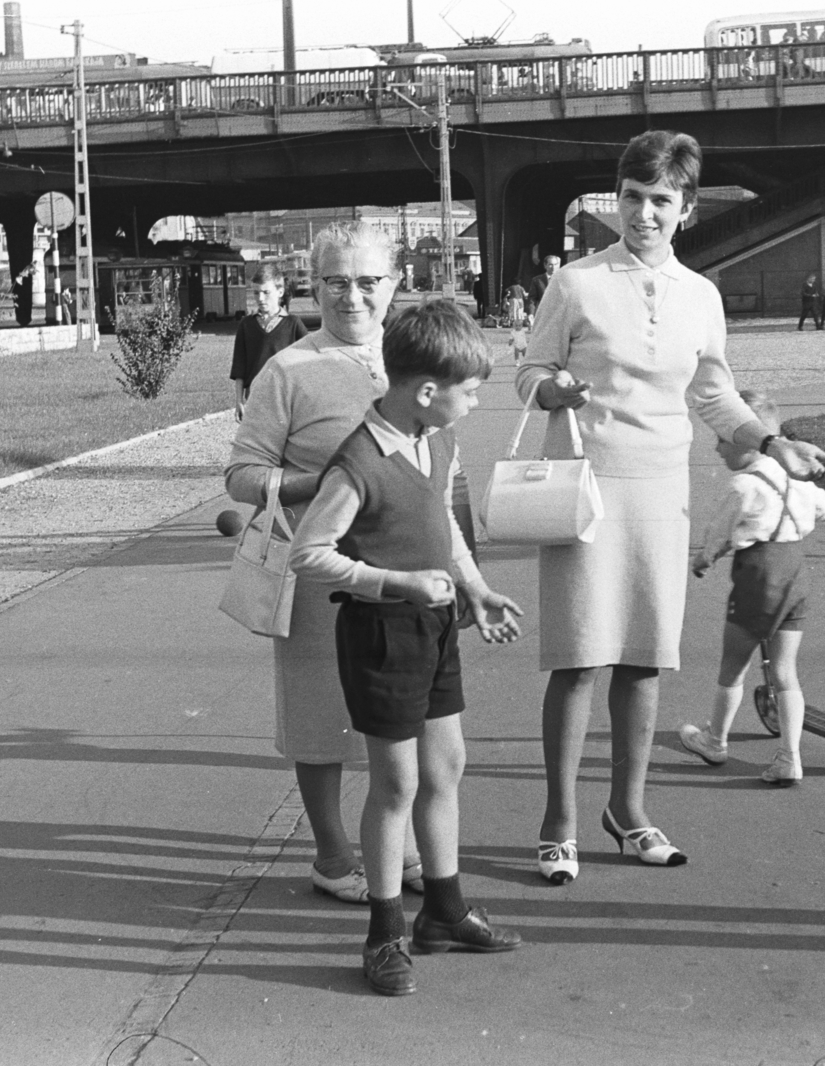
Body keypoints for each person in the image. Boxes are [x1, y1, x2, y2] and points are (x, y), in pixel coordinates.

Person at [517, 129, 825, 887]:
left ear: (686, 207)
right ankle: (558, 821)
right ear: (617, 199)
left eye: (662, 200)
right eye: (632, 198)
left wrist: (771, 443)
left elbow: (713, 392)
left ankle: (628, 813)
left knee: (645, 660)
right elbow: (530, 370)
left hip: (663, 492)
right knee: (579, 658)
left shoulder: (701, 295)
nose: (644, 214)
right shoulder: (577, 282)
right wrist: (552, 387)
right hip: (586, 490)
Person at [290, 301, 524, 997]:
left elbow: (443, 529)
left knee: (447, 765)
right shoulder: (358, 462)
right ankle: (386, 930)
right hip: (381, 635)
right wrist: (393, 582)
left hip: (436, 624)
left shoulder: (435, 438)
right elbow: (309, 554)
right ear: (427, 391)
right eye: (471, 390)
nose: (476, 402)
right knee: (396, 784)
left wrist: (474, 589)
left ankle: (444, 911)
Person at [228, 221, 425, 907]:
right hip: (320, 571)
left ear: (394, 284)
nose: (353, 296)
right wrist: (317, 485)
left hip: (405, 571)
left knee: (400, 714)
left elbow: (442, 464)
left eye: (369, 282)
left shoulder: (412, 358)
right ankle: (333, 853)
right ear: (314, 287)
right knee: (321, 715)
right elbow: (243, 474)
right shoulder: (287, 370)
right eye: (337, 282)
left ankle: (396, 846)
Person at [678, 390, 825, 785]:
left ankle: (715, 739)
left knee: (734, 666)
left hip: (759, 575)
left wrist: (705, 558)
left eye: (724, 438)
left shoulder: (744, 486)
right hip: (795, 571)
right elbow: (823, 506)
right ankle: (789, 756)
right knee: (785, 671)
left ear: (747, 442)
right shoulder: (796, 480)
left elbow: (721, 531)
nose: (716, 447)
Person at [230, 263, 309, 421]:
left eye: (266, 292)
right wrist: (239, 401)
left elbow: (309, 364)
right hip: (255, 400)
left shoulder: (293, 324)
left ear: (280, 292)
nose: (260, 298)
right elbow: (239, 368)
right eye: (256, 293)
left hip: (286, 402)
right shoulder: (246, 325)